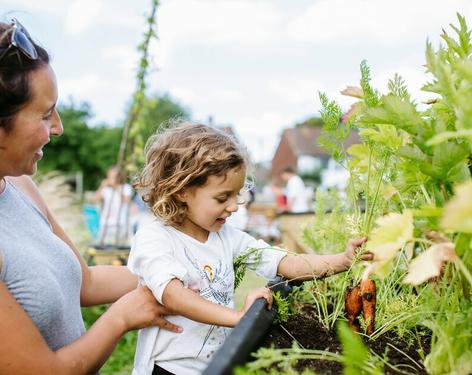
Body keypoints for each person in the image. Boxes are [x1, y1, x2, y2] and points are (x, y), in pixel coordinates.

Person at [0, 18, 181, 374]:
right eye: (45, 113)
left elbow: (86, 282)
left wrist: (177, 273)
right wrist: (120, 319)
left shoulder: (21, 188)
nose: (59, 127)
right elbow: (43, 370)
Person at [128, 122, 372, 375]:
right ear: (182, 192)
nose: (234, 206)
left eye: (237, 195)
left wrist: (343, 260)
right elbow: (173, 295)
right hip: (167, 368)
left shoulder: (226, 237)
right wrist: (237, 317)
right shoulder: (154, 238)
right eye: (222, 198)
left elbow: (285, 263)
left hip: (214, 364)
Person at [95, 165, 133, 246]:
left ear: (119, 177)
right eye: (110, 176)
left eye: (113, 176)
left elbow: (126, 201)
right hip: (106, 223)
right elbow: (96, 199)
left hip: (120, 223)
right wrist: (102, 186)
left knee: (120, 246)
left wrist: (116, 187)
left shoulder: (125, 187)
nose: (111, 178)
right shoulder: (106, 189)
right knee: (103, 246)